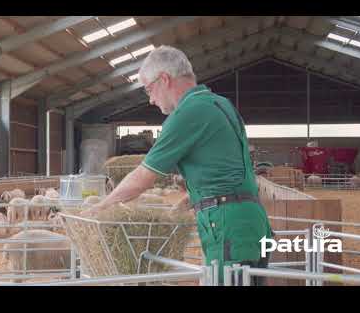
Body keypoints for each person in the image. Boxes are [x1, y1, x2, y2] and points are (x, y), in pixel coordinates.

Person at [82, 45, 273, 285]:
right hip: (252, 223)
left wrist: (101, 207)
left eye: (149, 90)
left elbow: (143, 177)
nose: (150, 99)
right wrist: (186, 203)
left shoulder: (187, 113)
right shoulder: (222, 105)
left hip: (227, 230)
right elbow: (225, 173)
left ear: (164, 79)